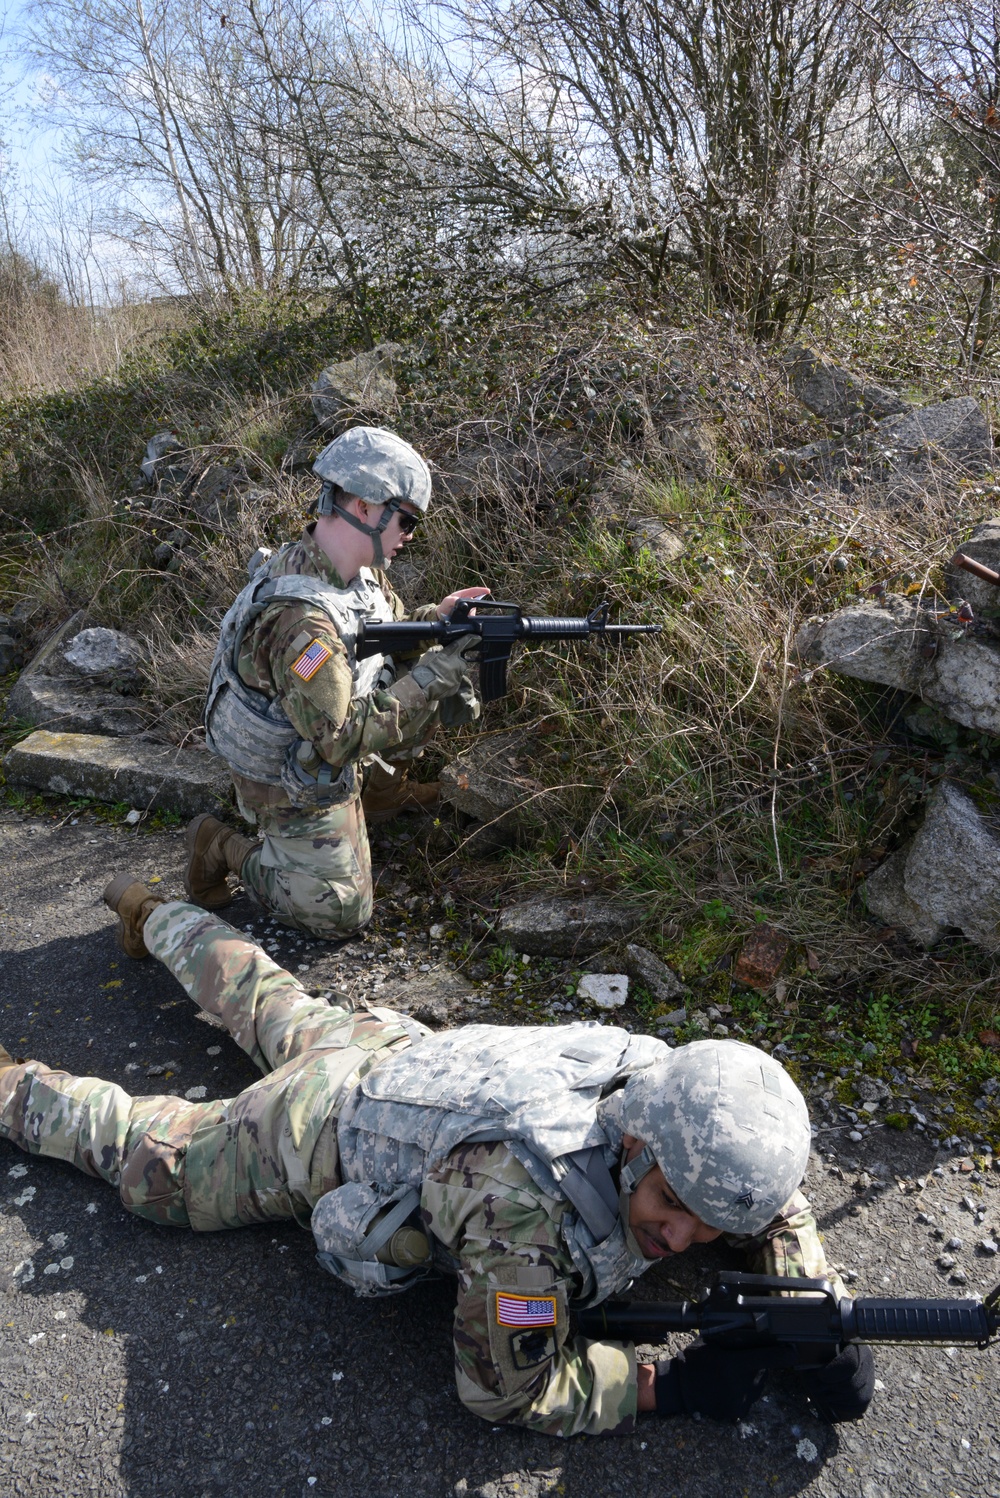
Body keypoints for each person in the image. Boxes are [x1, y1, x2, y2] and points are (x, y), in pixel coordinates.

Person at [0, 878, 875, 1438]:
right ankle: (12, 1089)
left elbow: (760, 1198)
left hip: (402, 1054)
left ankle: (155, 909)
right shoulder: (523, 1209)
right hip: (318, 1127)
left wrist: (813, 1308)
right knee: (154, 1166)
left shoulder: (680, 1089)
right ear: (639, 1144)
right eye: (668, 1206)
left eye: (704, 1223)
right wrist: (666, 1388)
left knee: (267, 998)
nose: (682, 1239)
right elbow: (509, 1390)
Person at [188, 424, 489, 940]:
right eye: (406, 519)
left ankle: (378, 797)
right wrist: (436, 674)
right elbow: (341, 737)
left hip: (321, 736)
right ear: (367, 508)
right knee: (338, 913)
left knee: (410, 687)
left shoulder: (352, 573)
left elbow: (373, 638)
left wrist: (435, 620)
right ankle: (220, 844)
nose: (409, 534)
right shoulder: (300, 622)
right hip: (285, 776)